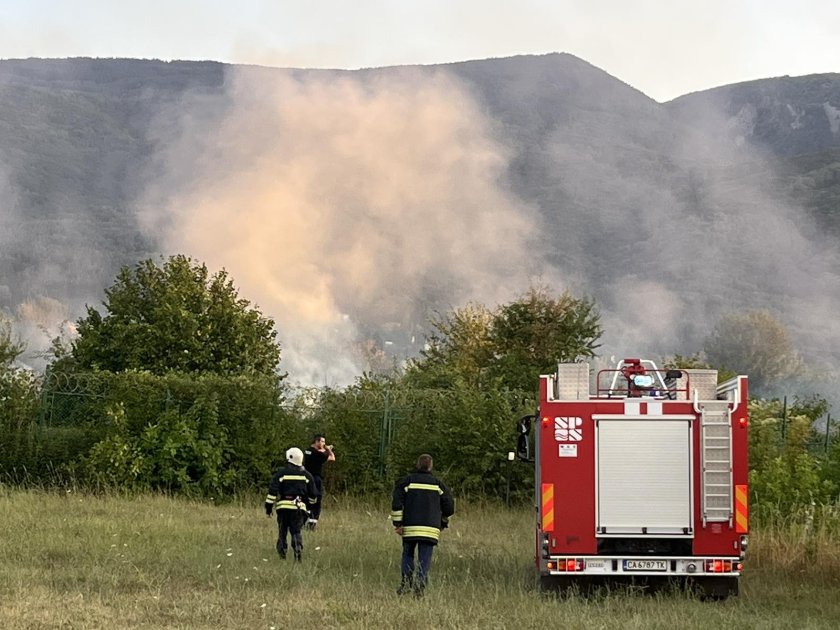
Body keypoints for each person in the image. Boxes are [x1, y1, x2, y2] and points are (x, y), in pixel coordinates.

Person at [391, 453, 455, 597]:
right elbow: (449, 506)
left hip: (410, 528)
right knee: (424, 559)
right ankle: (420, 587)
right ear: (430, 466)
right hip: (430, 530)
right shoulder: (438, 484)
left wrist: (397, 523)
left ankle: (406, 585)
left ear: (417, 465)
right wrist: (443, 522)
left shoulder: (407, 482)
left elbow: (396, 502)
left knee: (407, 554)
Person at [265, 447, 317, 562]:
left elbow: (272, 493)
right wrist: (309, 508)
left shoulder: (281, 474)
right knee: (296, 531)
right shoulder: (307, 475)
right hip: (299, 508)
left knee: (282, 531)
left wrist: (268, 509)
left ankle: (282, 555)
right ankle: (298, 551)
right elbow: (313, 495)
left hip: (283, 508)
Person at [303, 434, 335, 531]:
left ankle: (303, 519)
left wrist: (323, 449)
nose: (324, 444)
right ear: (316, 442)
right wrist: (328, 449)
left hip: (306, 478)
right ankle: (312, 524)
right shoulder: (319, 454)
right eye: (322, 442)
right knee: (317, 501)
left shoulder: (307, 451)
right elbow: (332, 458)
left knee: (306, 500)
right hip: (316, 479)